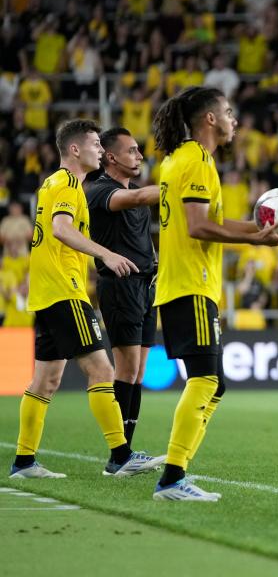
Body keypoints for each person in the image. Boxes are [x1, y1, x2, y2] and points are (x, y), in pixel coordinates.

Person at [151, 87, 278, 501]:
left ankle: (176, 472)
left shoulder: (178, 159)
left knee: (213, 384)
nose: (234, 120)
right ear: (210, 119)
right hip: (190, 282)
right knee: (206, 380)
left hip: (185, 283)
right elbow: (198, 227)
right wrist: (256, 243)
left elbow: (208, 220)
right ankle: (173, 479)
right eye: (228, 112)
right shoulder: (196, 160)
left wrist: (260, 228)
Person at [9, 119, 162, 479]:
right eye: (94, 143)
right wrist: (106, 254)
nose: (99, 148)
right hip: (64, 291)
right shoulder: (66, 184)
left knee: (45, 381)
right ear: (75, 149)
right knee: (103, 371)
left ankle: (24, 461)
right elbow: (61, 229)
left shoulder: (58, 184)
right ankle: (121, 455)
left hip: (48, 292)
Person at [86, 127, 161, 451]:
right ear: (111, 157)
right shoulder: (101, 191)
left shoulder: (138, 195)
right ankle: (120, 453)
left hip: (146, 286)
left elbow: (142, 237)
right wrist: (183, 184)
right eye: (132, 150)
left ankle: (127, 450)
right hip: (120, 286)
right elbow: (138, 197)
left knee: (139, 371)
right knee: (126, 368)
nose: (139, 156)